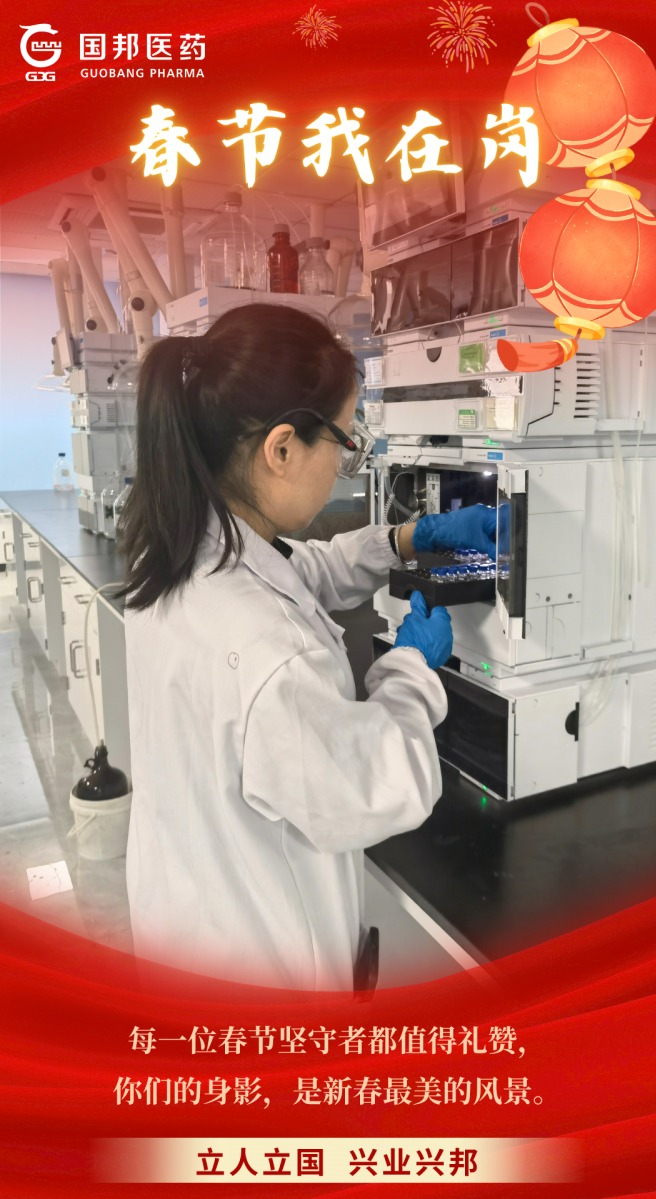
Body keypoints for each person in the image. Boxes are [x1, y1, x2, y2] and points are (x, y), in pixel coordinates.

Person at [118, 304, 500, 991]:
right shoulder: (274, 653)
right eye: (345, 443)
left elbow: (298, 574)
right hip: (268, 983)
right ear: (282, 449)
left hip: (186, 930)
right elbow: (377, 788)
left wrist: (409, 539)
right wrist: (410, 669)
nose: (344, 470)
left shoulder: (178, 552)